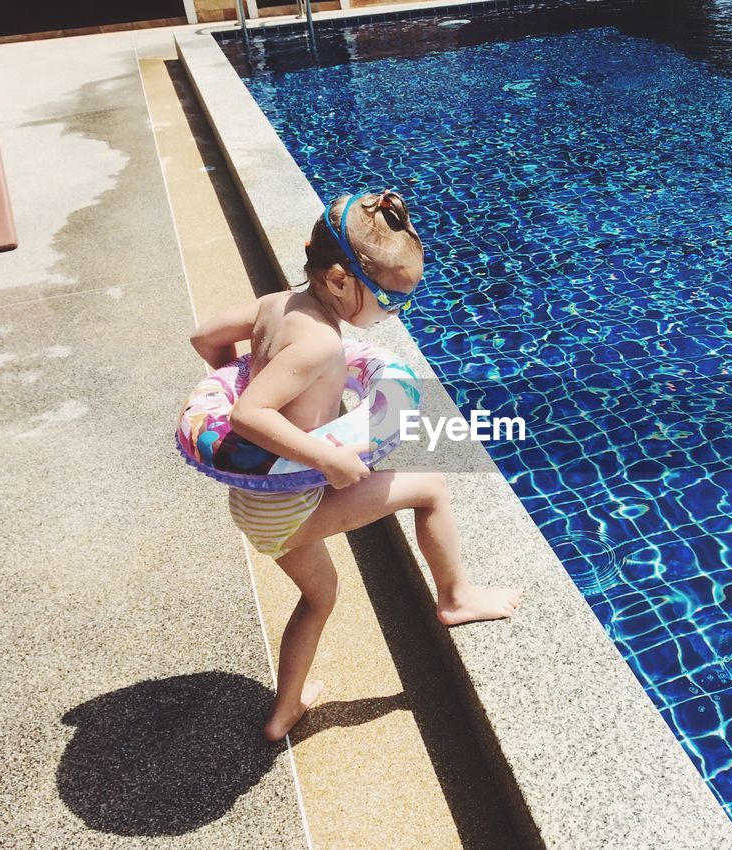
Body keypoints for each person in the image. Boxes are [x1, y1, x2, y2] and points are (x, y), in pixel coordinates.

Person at [189, 190, 524, 743]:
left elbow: (204, 338)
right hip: (291, 507)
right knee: (433, 486)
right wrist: (324, 456)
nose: (397, 313)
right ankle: (456, 597)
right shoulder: (319, 344)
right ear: (341, 280)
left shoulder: (277, 305)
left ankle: (285, 710)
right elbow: (250, 414)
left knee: (321, 596)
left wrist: (234, 392)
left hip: (253, 503)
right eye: (393, 300)